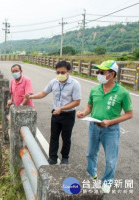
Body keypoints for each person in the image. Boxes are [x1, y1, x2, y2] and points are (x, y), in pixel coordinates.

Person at [77, 60, 133, 193]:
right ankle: (91, 175)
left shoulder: (122, 92)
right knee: (90, 153)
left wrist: (111, 122)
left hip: (111, 130)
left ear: (112, 74)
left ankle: (107, 181)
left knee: (110, 159)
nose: (99, 74)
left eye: (102, 72)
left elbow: (129, 114)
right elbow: (90, 106)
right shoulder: (95, 89)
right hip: (93, 127)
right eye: (98, 72)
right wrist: (83, 113)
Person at [24, 61, 81, 165]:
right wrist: (31, 97)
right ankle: (52, 157)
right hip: (55, 113)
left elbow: (77, 102)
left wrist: (62, 108)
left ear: (69, 72)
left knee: (66, 137)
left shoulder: (75, 84)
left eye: (63, 72)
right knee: (54, 136)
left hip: (68, 115)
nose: (60, 75)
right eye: (58, 72)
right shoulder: (54, 82)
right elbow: (43, 93)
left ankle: (65, 157)